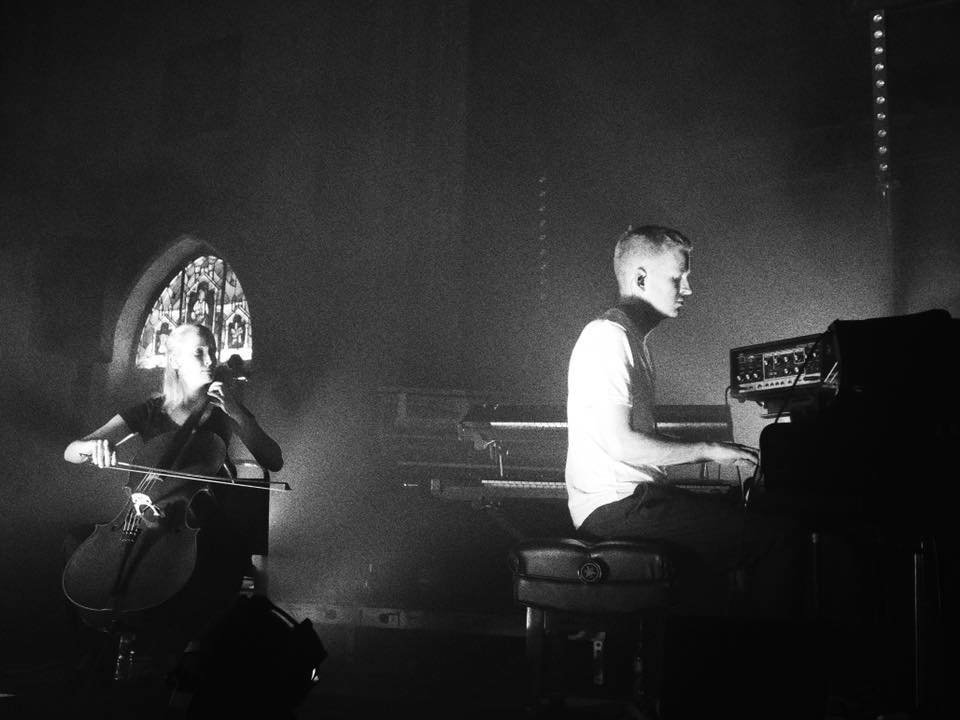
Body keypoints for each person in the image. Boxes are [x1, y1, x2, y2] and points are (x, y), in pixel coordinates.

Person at [565, 225, 803, 616]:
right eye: (678, 278)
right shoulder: (607, 338)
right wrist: (710, 450)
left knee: (745, 524)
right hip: (617, 510)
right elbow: (622, 444)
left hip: (635, 503)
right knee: (775, 537)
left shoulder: (633, 341)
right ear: (641, 278)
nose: (688, 289)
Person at [63, 322, 283, 666]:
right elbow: (71, 451)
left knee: (218, 561)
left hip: (201, 526)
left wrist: (237, 411)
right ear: (176, 360)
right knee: (74, 541)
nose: (210, 359)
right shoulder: (151, 410)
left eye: (212, 351)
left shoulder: (225, 409)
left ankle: (179, 661)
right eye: (199, 352)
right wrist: (92, 447)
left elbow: (273, 459)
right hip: (143, 518)